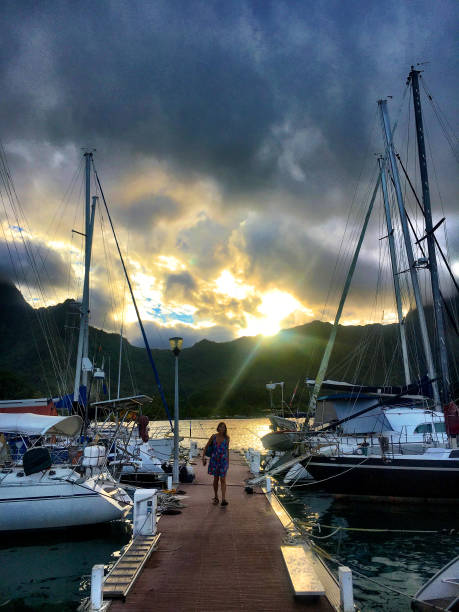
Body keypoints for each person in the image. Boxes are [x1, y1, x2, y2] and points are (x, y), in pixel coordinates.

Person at [202, 422, 230, 506]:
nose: (222, 429)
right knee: (216, 479)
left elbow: (227, 450)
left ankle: (224, 499)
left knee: (223, 479)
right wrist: (203, 457)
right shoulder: (213, 436)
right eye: (221, 427)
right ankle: (216, 497)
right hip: (214, 460)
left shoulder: (227, 438)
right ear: (218, 428)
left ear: (225, 429)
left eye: (224, 427)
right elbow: (206, 447)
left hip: (223, 460)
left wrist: (228, 461)